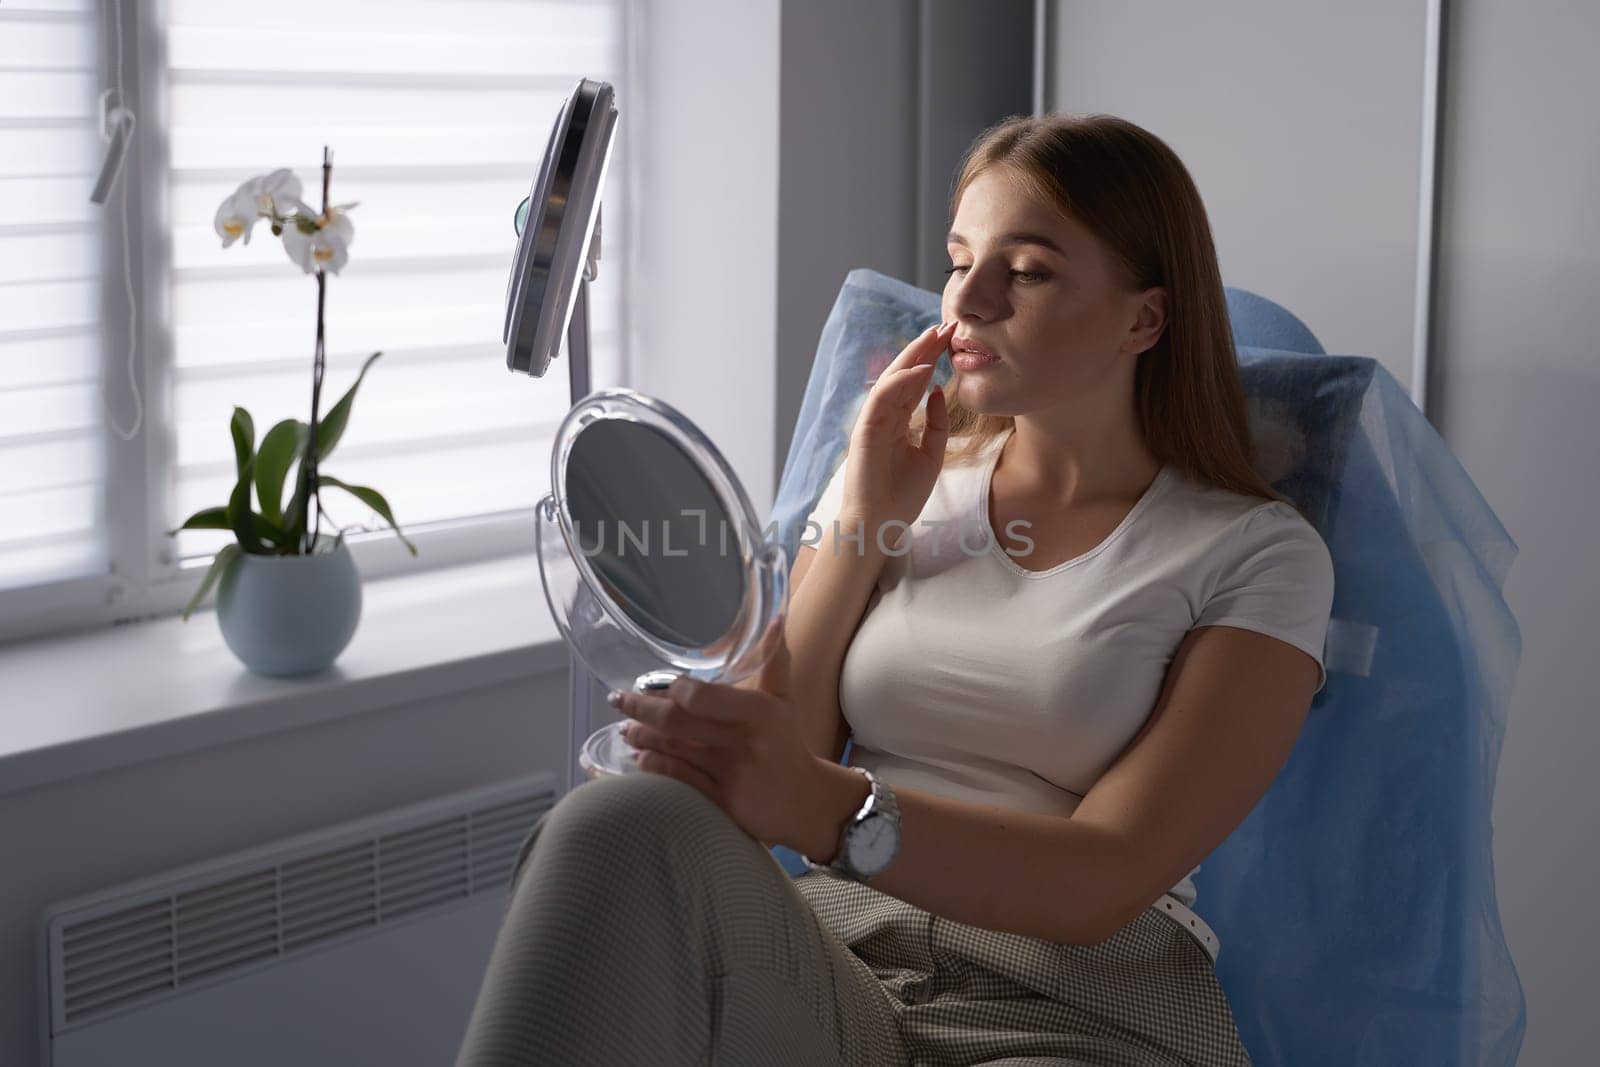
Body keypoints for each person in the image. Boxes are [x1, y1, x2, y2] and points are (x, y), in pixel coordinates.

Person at [454, 113, 1333, 1066]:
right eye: (960, 260)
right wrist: (864, 508)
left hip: (1077, 1007)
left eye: (1027, 270)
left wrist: (829, 808)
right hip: (844, 958)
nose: (967, 300)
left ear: (1144, 318)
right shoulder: (900, 482)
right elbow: (783, 753)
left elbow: (1105, 877)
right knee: (613, 823)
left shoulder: (1256, 554)